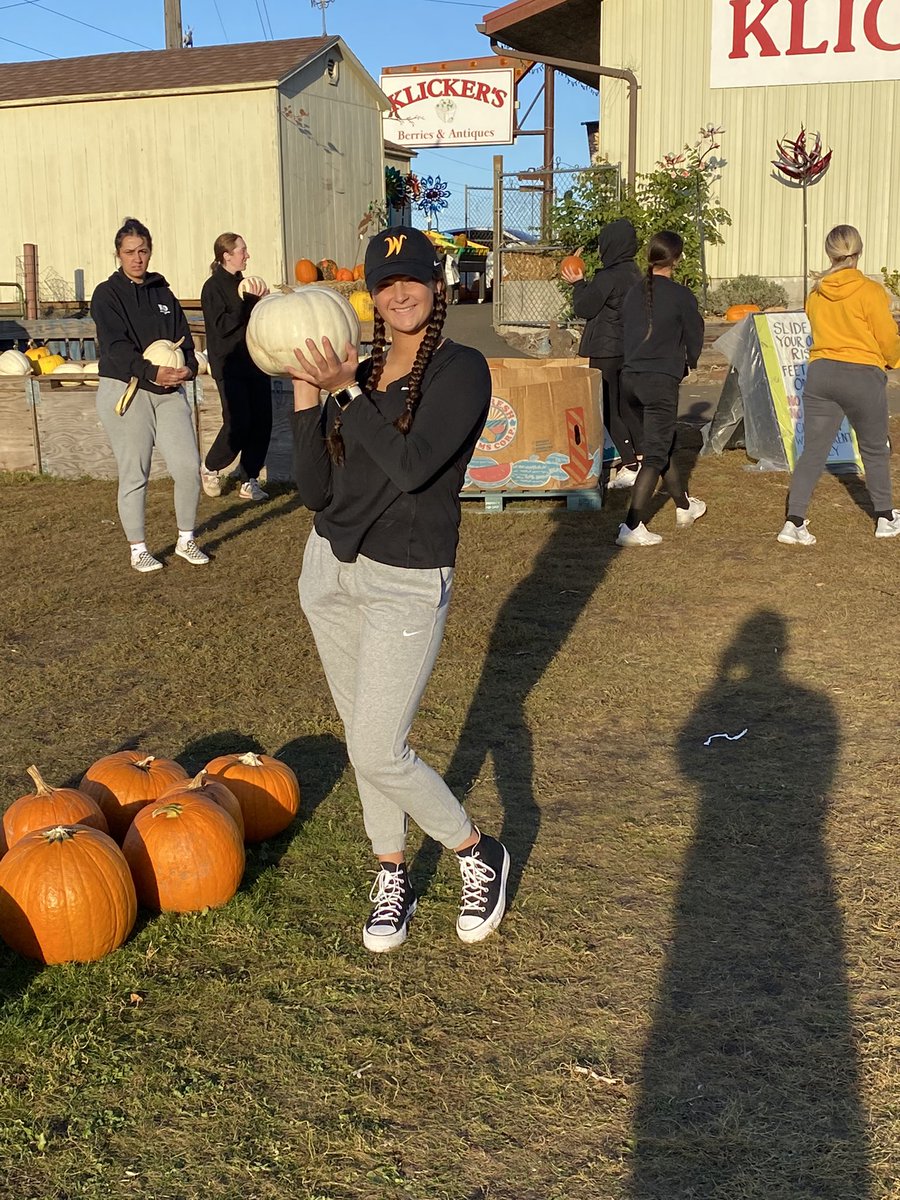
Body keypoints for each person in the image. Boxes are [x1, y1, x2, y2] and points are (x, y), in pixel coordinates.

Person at [288, 225, 510, 953]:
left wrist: (346, 391)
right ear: (373, 296)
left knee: (380, 748)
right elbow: (316, 492)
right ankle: (391, 870)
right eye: (386, 284)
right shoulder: (351, 373)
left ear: (436, 285)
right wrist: (306, 396)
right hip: (330, 570)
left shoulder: (461, 370)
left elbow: (413, 466)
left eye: (413, 278)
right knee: (364, 740)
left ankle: (476, 850)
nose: (400, 293)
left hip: (407, 579)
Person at [91, 217, 208, 573]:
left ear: (150, 251)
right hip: (127, 389)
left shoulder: (164, 294)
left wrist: (188, 368)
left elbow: (184, 342)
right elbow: (115, 347)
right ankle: (138, 548)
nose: (137, 258)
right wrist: (150, 371)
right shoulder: (107, 295)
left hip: (168, 390)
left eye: (142, 251)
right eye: (129, 252)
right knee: (135, 472)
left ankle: (186, 539)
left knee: (187, 467)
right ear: (118, 254)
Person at [777, 224, 900, 545]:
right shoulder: (871, 291)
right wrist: (893, 360)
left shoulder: (816, 294)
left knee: (813, 452)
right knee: (874, 449)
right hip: (862, 374)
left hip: (821, 373)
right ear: (859, 252)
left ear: (829, 253)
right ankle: (885, 517)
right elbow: (887, 338)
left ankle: (793, 522)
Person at [615, 230, 706, 547]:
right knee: (655, 455)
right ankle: (631, 526)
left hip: (629, 381)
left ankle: (684, 506)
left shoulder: (633, 293)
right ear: (676, 259)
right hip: (659, 382)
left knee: (660, 444)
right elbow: (695, 336)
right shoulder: (681, 296)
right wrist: (688, 362)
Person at [562, 218, 644, 486]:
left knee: (608, 408)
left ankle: (629, 464)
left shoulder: (607, 277)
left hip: (606, 350)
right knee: (628, 406)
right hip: (629, 348)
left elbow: (585, 307)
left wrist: (578, 283)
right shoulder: (635, 273)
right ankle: (642, 456)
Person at [200, 233, 272, 501]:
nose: (247, 255)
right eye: (242, 251)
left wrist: (265, 304)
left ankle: (249, 479)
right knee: (238, 422)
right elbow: (222, 326)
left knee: (262, 421)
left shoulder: (245, 284)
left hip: (255, 361)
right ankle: (210, 467)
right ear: (226, 256)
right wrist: (249, 303)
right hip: (229, 365)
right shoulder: (213, 288)